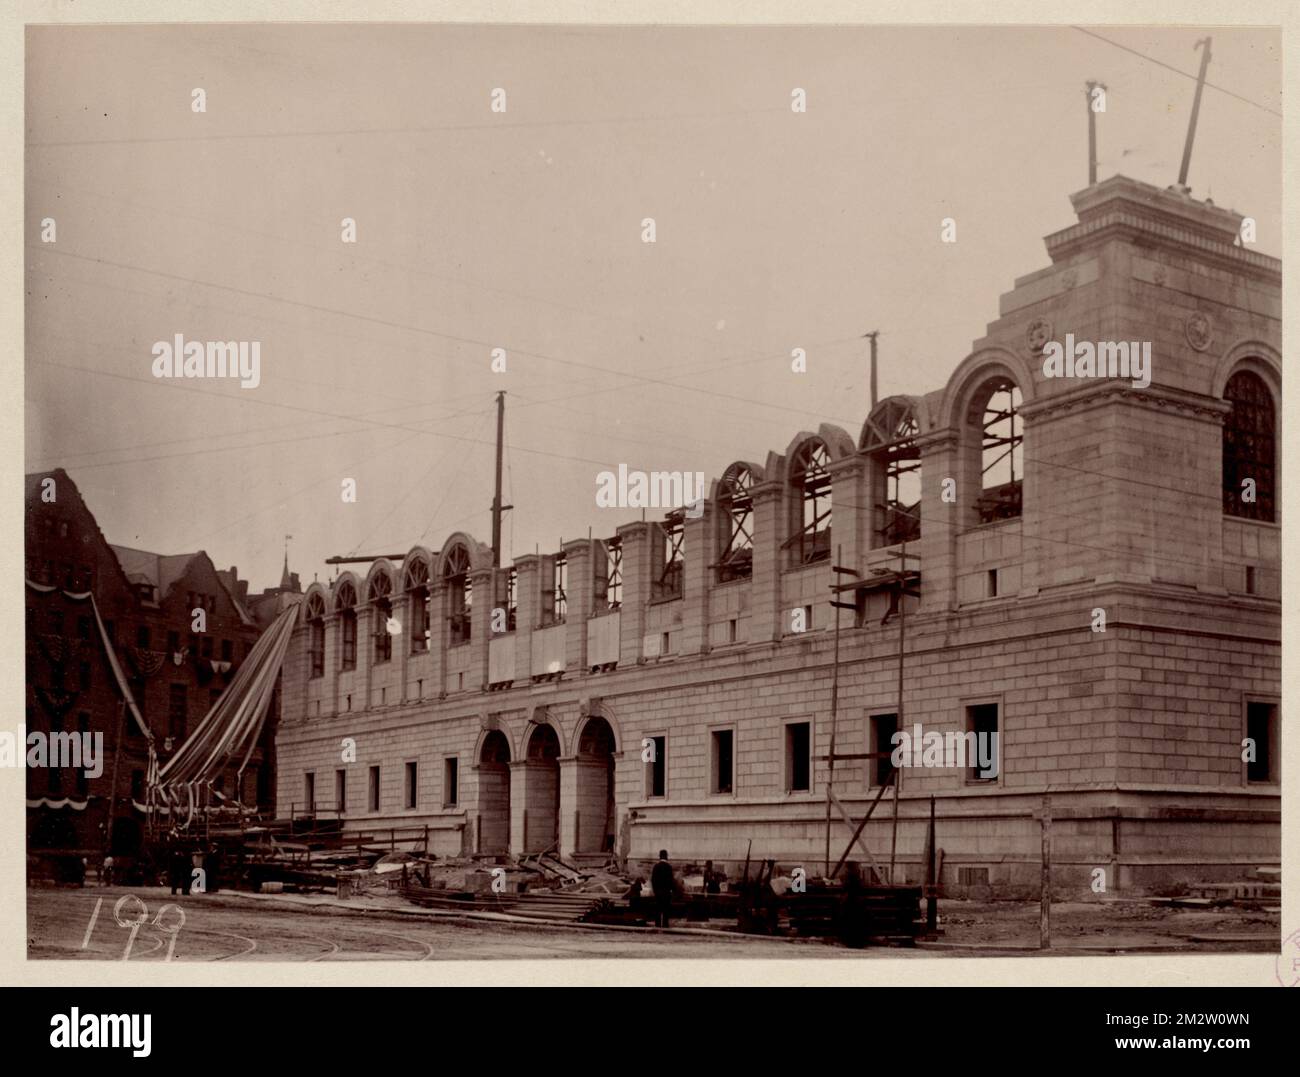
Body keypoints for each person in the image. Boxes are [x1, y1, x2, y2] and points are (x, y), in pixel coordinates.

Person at [650, 850, 675, 928]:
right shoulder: (669, 867)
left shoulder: (656, 867)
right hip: (666, 892)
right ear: (666, 856)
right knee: (666, 909)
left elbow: (653, 879)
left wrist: (654, 890)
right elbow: (671, 880)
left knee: (658, 909)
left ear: (659, 856)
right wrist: (671, 890)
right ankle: (665, 925)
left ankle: (657, 924)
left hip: (658, 892)